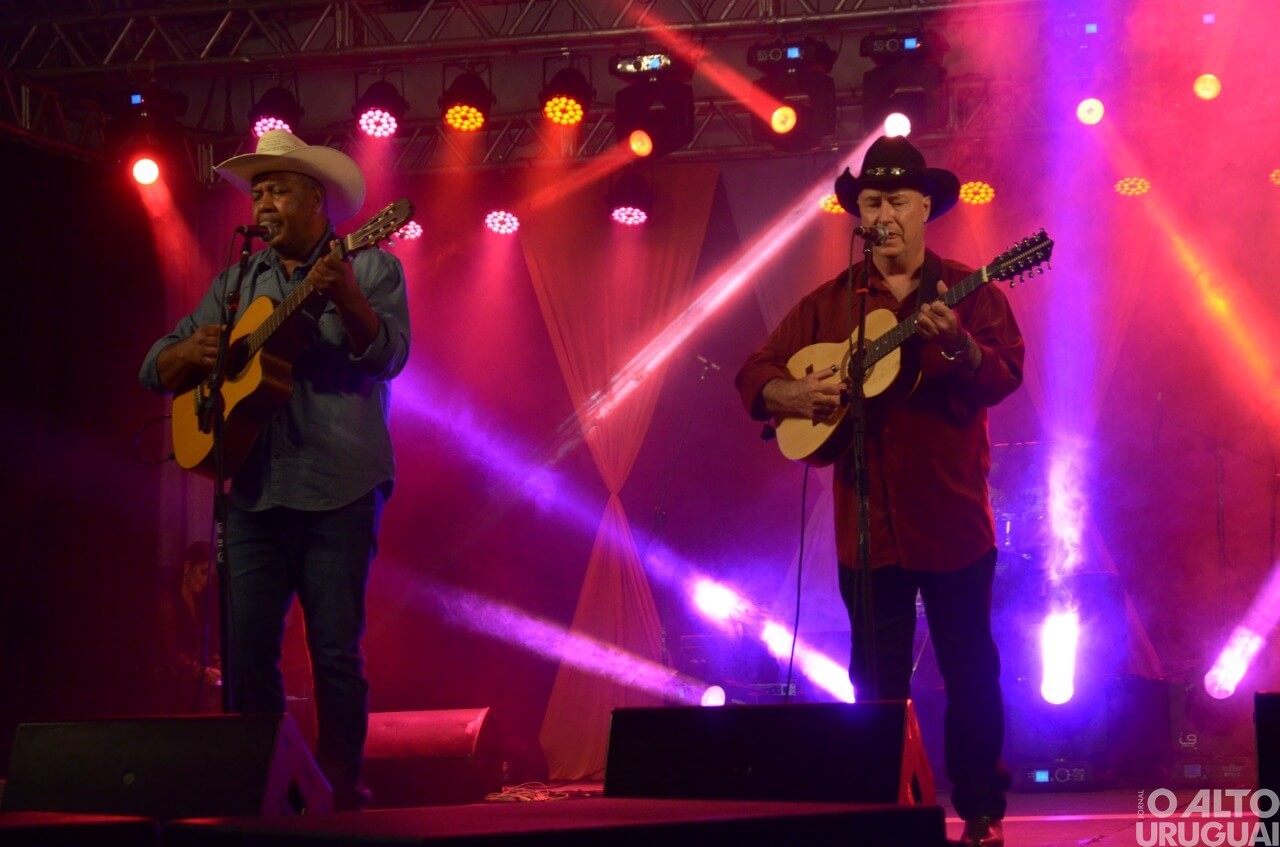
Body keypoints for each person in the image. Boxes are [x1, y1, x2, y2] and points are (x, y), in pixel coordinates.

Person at [735, 135, 1024, 847]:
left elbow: (1004, 375)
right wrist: (787, 390)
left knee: (970, 671)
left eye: (897, 200)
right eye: (872, 201)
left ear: (926, 206)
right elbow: (753, 371)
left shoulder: (974, 289)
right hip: (866, 525)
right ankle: (887, 817)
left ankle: (981, 812)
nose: (884, 213)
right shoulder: (829, 303)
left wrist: (958, 345)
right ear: (857, 212)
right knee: (875, 682)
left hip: (953, 518)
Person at [139, 129, 411, 810]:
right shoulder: (237, 282)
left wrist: (345, 294)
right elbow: (153, 367)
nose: (262, 201)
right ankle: (263, 787)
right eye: (257, 190)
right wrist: (201, 352)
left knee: (334, 652)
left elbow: (388, 357)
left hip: (338, 485)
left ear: (316, 200)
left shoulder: (370, 263)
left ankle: (341, 789)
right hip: (254, 492)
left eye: (277, 188)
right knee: (247, 651)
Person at [155, 540, 221, 713]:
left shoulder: (201, 602)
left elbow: (204, 641)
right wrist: (198, 671)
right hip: (170, 690)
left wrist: (214, 658)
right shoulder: (168, 602)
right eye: (203, 572)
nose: (206, 580)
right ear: (187, 566)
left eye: (210, 576)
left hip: (193, 689)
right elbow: (166, 650)